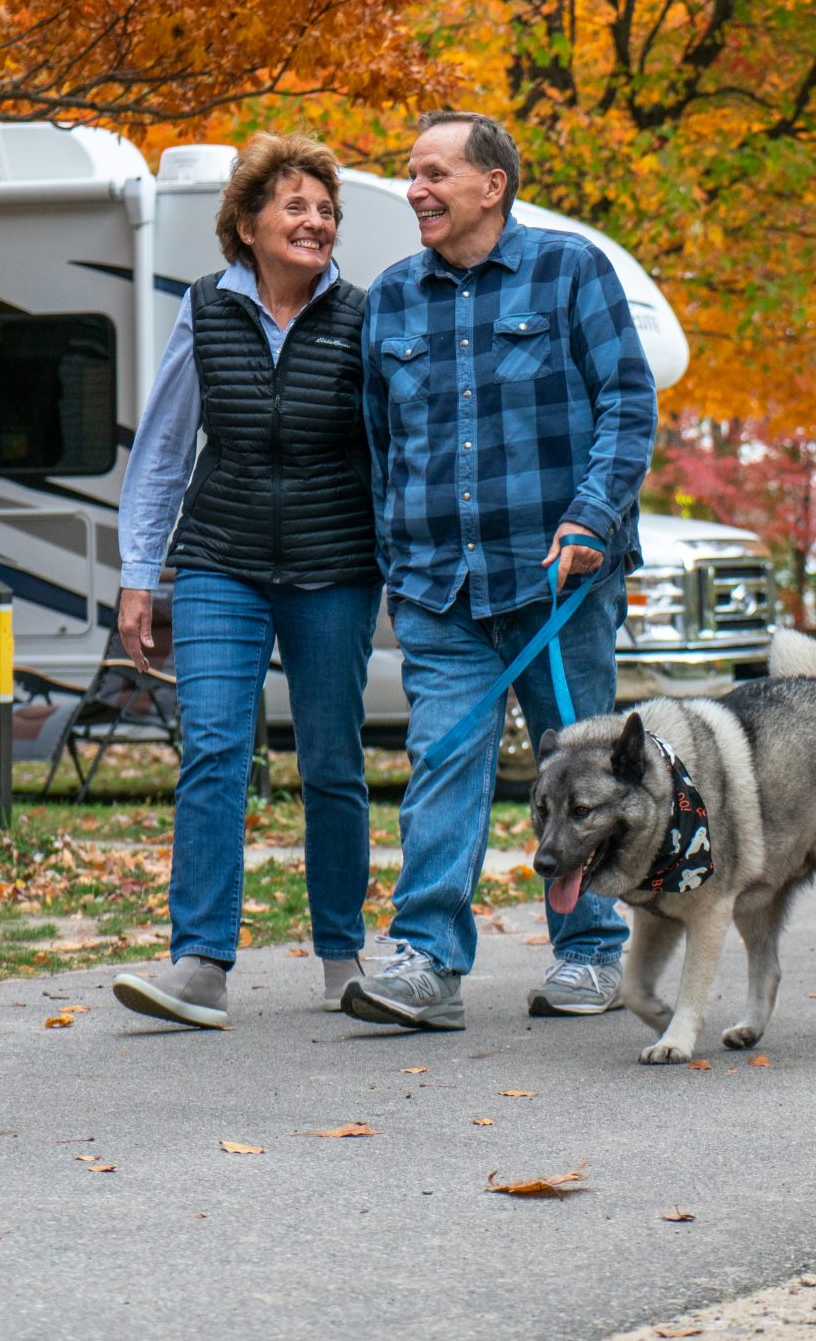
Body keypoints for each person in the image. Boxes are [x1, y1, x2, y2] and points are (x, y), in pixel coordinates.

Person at [341, 110, 658, 1030]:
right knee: (441, 758)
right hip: (442, 586)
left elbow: (628, 407)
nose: (415, 190)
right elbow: (380, 448)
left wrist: (594, 516)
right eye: (410, 174)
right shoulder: (392, 297)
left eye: (435, 172)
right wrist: (395, 561)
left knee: (586, 772)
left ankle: (594, 952)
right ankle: (426, 961)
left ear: (493, 184)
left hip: (558, 585)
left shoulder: (570, 273)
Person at [109, 133, 380, 1030]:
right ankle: (200, 963)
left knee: (333, 760)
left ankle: (343, 955)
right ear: (249, 222)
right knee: (215, 747)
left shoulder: (361, 316)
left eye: (326, 210)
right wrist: (138, 574)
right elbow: (161, 447)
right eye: (296, 206)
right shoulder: (205, 310)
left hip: (332, 564)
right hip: (222, 559)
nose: (315, 221)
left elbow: (389, 449)